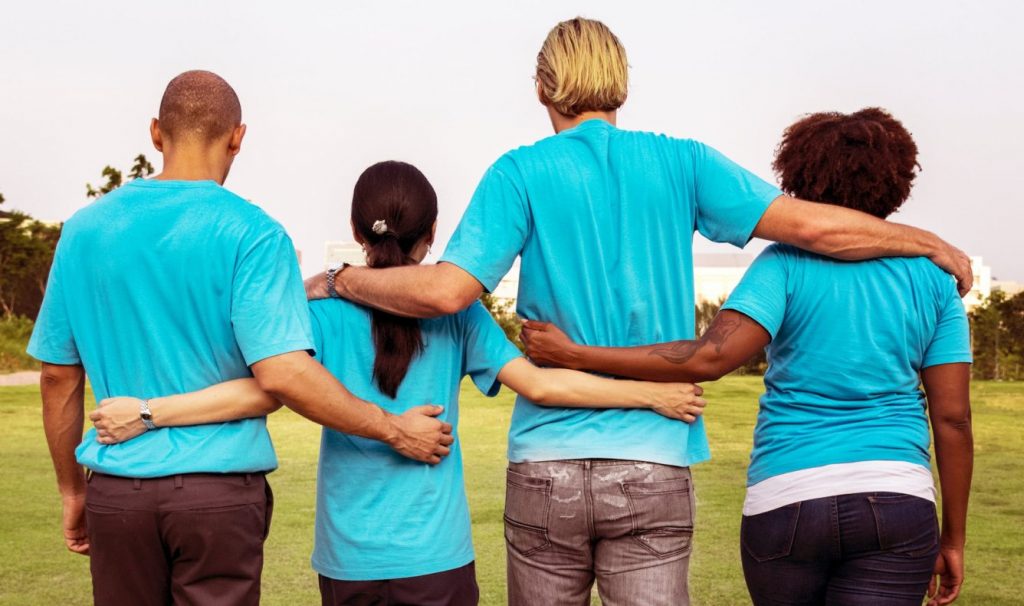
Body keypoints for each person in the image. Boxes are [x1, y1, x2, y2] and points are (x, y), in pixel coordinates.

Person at [303, 19, 973, 605]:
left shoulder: (519, 172)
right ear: (621, 83)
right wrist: (926, 241)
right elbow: (818, 230)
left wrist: (342, 279)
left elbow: (446, 291)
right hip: (652, 458)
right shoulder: (683, 162)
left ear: (542, 89)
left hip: (546, 465)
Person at [89, 160, 709, 606]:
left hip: (348, 560)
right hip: (435, 559)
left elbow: (266, 387)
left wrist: (150, 410)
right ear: (433, 236)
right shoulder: (458, 313)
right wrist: (652, 393)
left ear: (358, 232)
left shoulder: (320, 311)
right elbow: (544, 388)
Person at [27, 71, 451, 606]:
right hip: (219, 494)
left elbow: (56, 377)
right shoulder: (255, 234)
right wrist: (393, 429)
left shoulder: (84, 230)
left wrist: (72, 490)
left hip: (117, 489)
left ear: (156, 133)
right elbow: (283, 375)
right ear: (237, 137)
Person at [522, 108, 973, 606]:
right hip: (898, 498)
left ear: (800, 174)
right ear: (899, 180)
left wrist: (576, 353)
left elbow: (706, 358)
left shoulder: (783, 265)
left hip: (787, 499)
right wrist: (952, 539)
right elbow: (952, 420)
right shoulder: (935, 281)